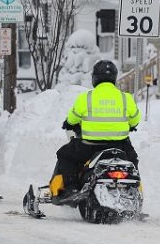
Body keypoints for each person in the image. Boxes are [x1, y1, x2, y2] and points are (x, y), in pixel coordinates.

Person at [49, 60, 140, 197]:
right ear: (114, 78)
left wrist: (68, 123)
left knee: (65, 155)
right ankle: (134, 192)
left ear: (95, 78)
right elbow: (135, 120)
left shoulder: (86, 97)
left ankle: (72, 188)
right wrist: (131, 125)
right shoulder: (125, 97)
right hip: (119, 146)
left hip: (90, 146)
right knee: (132, 161)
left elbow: (73, 118)